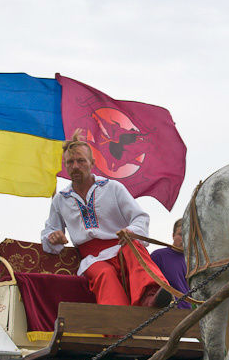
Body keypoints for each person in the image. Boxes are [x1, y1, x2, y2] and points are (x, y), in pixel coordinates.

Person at [42, 131, 171, 308]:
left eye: (81, 161)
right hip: (92, 258)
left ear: (92, 163)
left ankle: (150, 297)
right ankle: (117, 326)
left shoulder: (113, 188)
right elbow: (50, 231)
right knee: (104, 275)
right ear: (65, 166)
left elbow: (140, 217)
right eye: (70, 162)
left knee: (133, 250)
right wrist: (53, 237)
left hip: (121, 246)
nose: (75, 166)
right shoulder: (61, 199)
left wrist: (130, 232)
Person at [150, 219, 191, 310]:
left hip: (187, 312)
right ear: (173, 235)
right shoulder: (158, 256)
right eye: (180, 234)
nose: (184, 238)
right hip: (162, 311)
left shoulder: (193, 262)